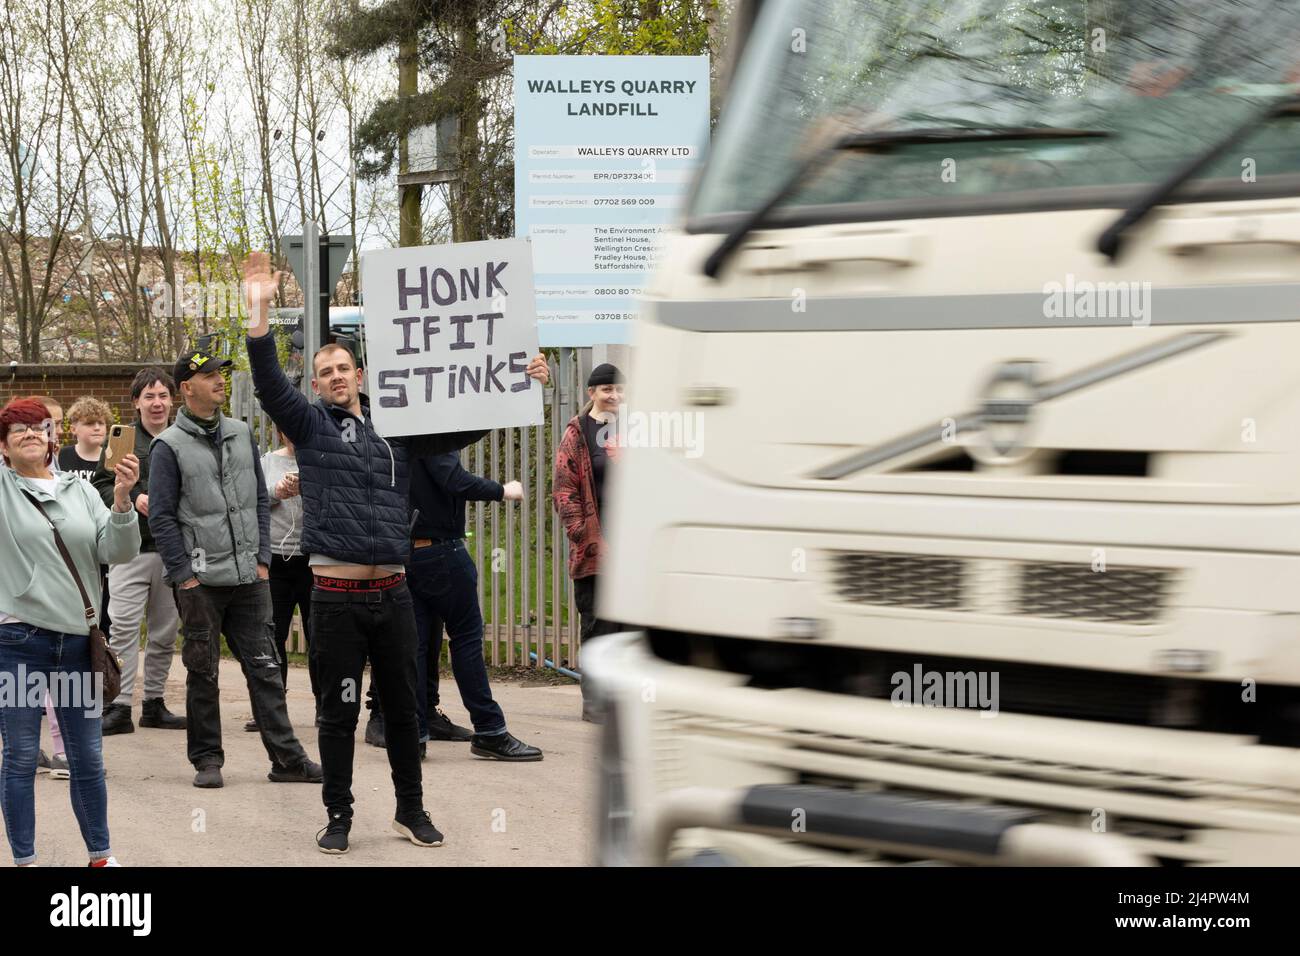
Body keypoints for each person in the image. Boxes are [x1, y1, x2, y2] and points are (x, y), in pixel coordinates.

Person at [242, 250, 549, 854]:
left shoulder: (400, 428)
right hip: (334, 599)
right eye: (323, 370)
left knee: (405, 710)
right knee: (337, 715)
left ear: (360, 375)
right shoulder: (308, 427)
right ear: (316, 384)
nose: (334, 376)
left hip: (395, 595)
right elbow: (267, 382)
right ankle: (339, 815)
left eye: (343, 367)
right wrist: (257, 317)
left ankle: (411, 810)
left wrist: (523, 380)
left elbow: (463, 420)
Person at [147, 348, 321, 789]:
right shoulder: (169, 446)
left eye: (221, 373)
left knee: (266, 667)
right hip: (200, 582)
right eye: (209, 376)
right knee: (202, 672)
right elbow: (163, 516)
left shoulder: (241, 433)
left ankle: (287, 760)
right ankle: (207, 759)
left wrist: (262, 560)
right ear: (187, 388)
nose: (220, 380)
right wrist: (183, 574)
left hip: (249, 578)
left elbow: (259, 500)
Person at [0, 397, 141, 866]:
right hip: (19, 643)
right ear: (3, 445)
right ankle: (25, 860)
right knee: (20, 757)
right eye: (16, 429)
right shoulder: (2, 487)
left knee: (87, 759)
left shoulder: (78, 491)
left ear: (51, 437)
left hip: (79, 644)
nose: (29, 434)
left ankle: (100, 857)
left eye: (38, 427)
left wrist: (121, 499)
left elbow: (117, 551)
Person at [367, 453, 544, 761]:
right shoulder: (433, 432)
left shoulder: (391, 433)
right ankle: (490, 731)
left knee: (416, 648)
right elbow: (454, 480)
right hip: (441, 551)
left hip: (404, 551)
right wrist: (503, 490)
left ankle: (415, 735)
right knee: (466, 640)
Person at [91, 370, 186, 734]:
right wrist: (131, 497)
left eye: (163, 395)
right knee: (123, 630)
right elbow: (100, 486)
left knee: (164, 632)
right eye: (149, 396)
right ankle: (119, 705)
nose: (157, 402)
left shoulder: (183, 438)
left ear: (172, 399)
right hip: (130, 549)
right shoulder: (122, 441)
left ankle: (154, 704)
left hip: (173, 552)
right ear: (136, 402)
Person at [553, 363, 625, 722]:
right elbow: (564, 489)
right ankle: (595, 702)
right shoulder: (578, 433)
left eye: (619, 389)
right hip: (595, 548)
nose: (614, 396)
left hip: (632, 549)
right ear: (591, 393)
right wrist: (581, 532)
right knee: (598, 625)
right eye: (607, 389)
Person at [243, 426, 320, 733]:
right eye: (287, 431)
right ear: (278, 432)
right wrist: (278, 491)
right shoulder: (266, 462)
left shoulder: (320, 459)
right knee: (272, 636)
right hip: (276, 559)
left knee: (320, 638)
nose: (293, 435)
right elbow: (254, 503)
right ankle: (272, 708)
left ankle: (325, 706)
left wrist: (307, 487)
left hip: (314, 560)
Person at [58, 397, 111, 481]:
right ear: (73, 429)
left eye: (101, 423)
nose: (97, 428)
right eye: (89, 423)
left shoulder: (112, 459)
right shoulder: (61, 456)